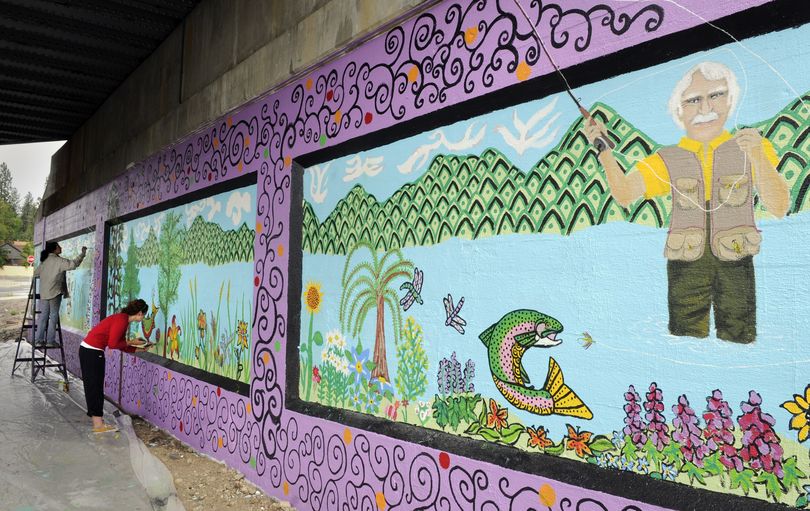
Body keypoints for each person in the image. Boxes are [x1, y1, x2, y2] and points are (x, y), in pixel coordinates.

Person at [584, 61, 789, 343]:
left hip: (736, 259)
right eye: (693, 100)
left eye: (716, 95)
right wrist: (604, 151)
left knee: (740, 337)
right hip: (686, 264)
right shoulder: (667, 158)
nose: (706, 108)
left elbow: (779, 206)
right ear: (678, 111)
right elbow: (624, 194)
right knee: (685, 338)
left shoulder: (751, 146)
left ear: (730, 100)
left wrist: (757, 157)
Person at [79, 299, 148, 433]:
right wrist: (132, 341)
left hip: (89, 351)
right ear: (139, 313)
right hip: (92, 352)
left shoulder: (122, 319)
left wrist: (139, 349)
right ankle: (98, 425)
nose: (143, 318)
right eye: (143, 315)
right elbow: (113, 344)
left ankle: (97, 421)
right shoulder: (122, 321)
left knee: (94, 386)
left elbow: (120, 344)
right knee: (95, 387)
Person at [34, 241, 86, 346]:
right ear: (54, 249)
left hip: (44, 293)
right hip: (55, 292)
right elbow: (73, 264)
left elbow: (36, 273)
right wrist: (82, 254)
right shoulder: (59, 261)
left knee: (43, 317)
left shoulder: (44, 261)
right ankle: (50, 341)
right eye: (58, 246)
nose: (60, 247)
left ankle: (39, 340)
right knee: (53, 317)